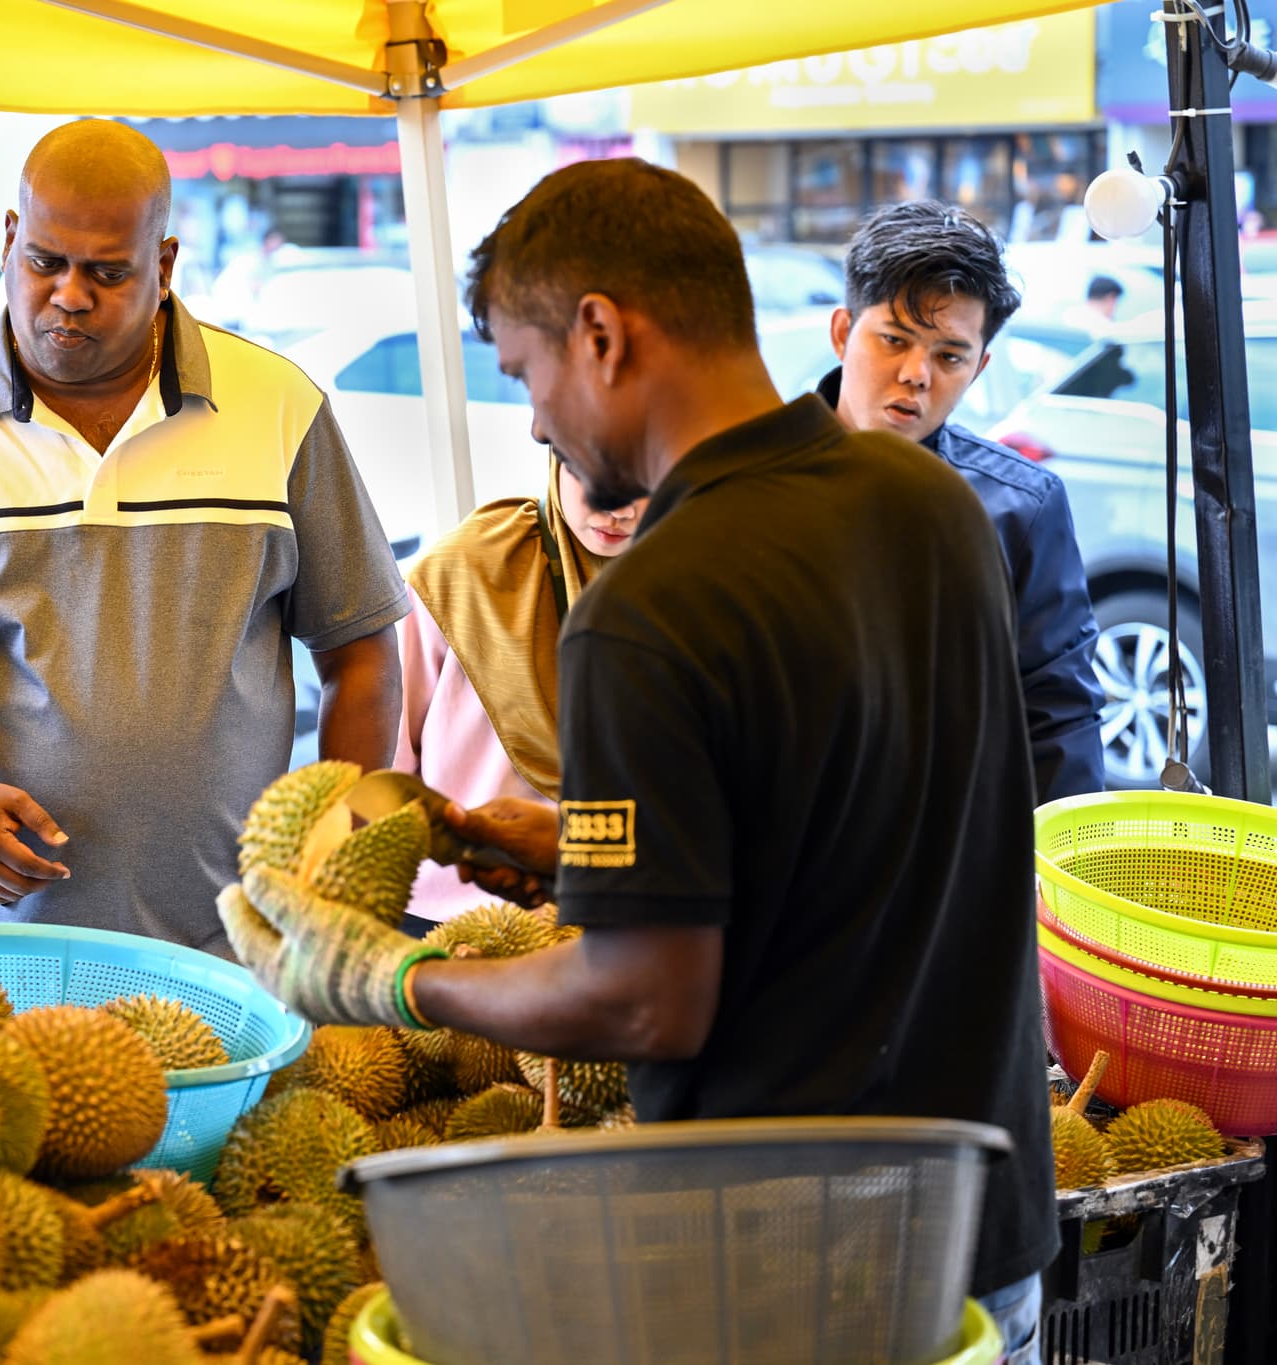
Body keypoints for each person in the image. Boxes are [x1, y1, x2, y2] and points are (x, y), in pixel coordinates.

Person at [218, 158, 1057, 1363]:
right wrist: (583, 851)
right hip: (979, 1239)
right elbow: (848, 826)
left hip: (785, 1274)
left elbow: (644, 1000)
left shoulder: (648, 605)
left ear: (600, 335)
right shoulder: (924, 507)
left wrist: (389, 982)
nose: (533, 418)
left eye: (525, 368)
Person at [0, 120, 405, 953]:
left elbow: (362, 655)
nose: (70, 294)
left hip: (234, 954)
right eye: (46, 261)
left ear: (163, 265)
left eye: (108, 272)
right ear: (11, 239)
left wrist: (335, 854)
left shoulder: (280, 411)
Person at [820, 201, 1105, 803]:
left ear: (979, 367)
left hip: (948, 863)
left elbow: (1058, 713)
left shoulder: (1020, 508)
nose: (917, 374)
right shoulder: (747, 476)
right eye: (893, 340)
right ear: (844, 332)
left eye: (949, 356)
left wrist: (1050, 879)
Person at [393, 458, 647, 929]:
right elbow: (389, 760)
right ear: (555, 446)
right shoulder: (459, 574)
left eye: (645, 479)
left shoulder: (694, 593)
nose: (617, 509)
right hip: (441, 913)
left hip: (615, 918)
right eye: (595, 471)